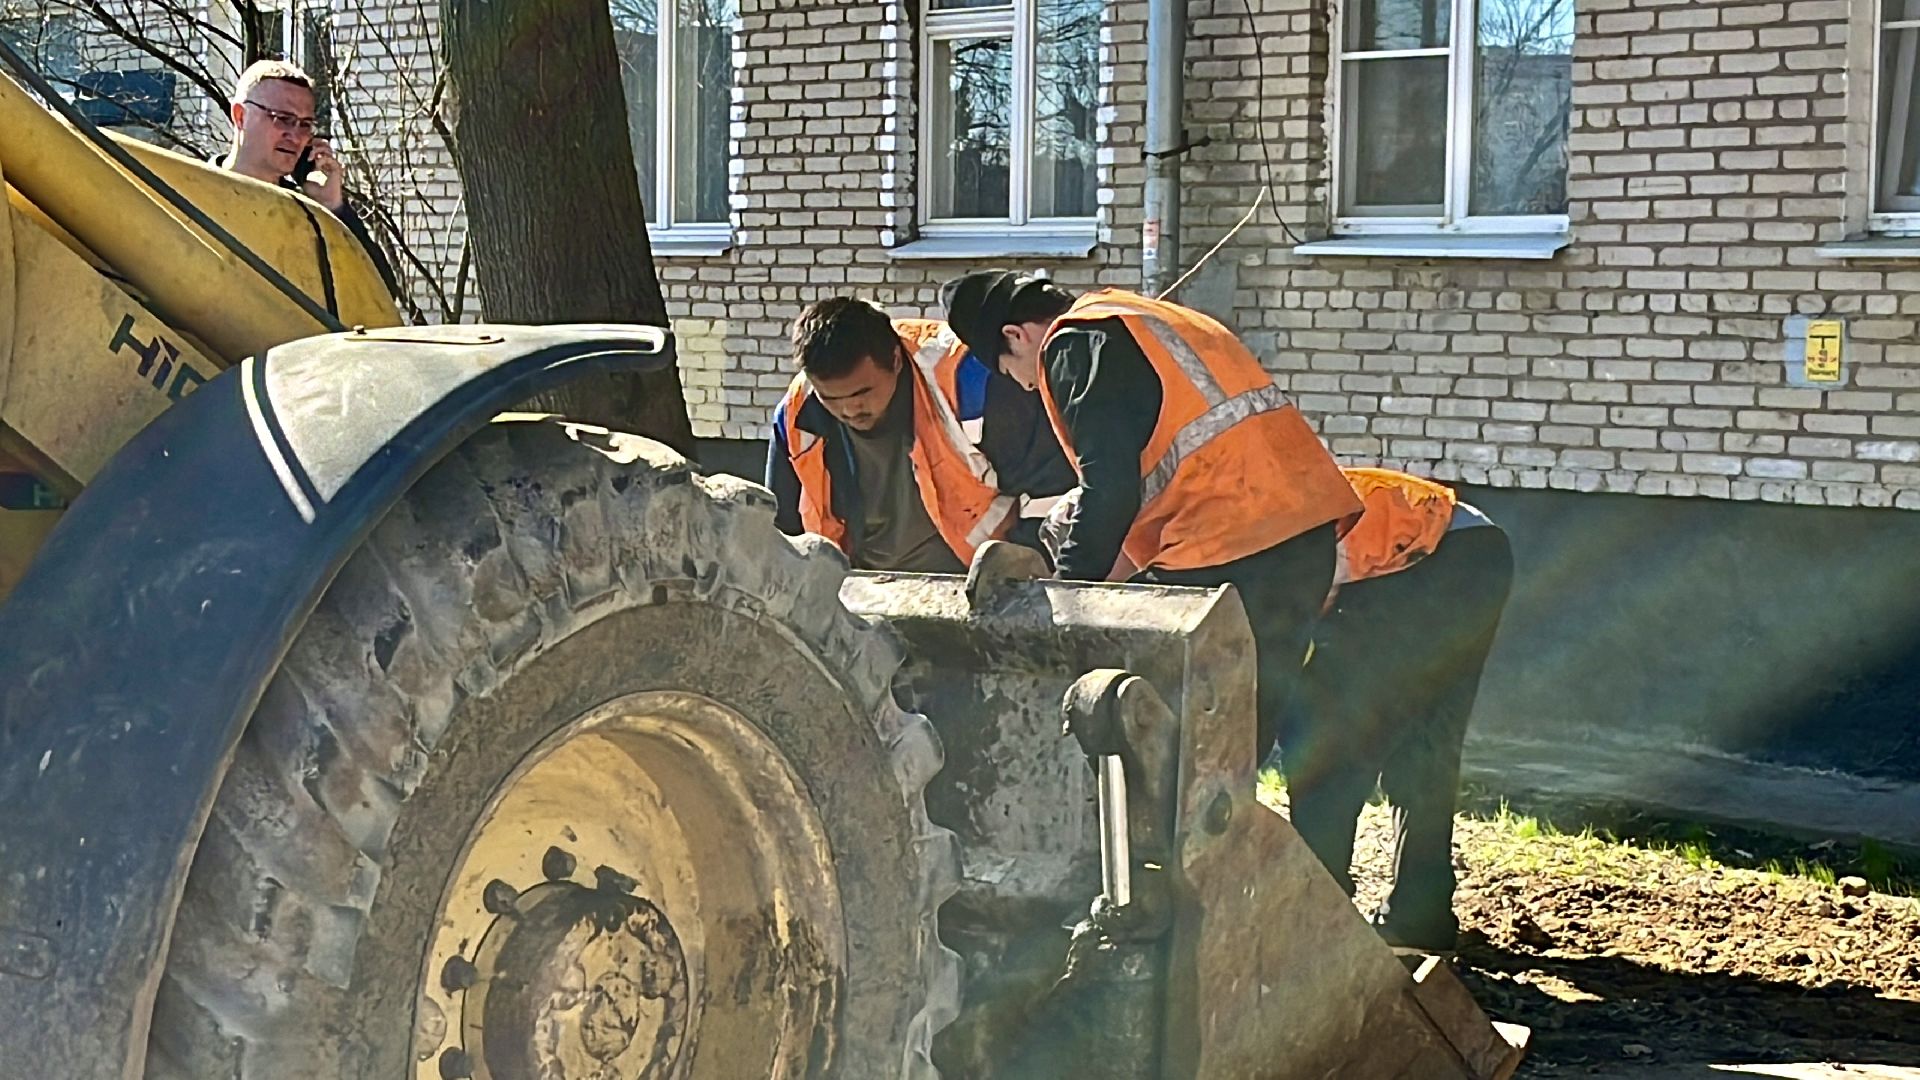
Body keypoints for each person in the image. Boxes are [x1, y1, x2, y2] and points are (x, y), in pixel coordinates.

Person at [941, 271, 1362, 765]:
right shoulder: (1145, 318)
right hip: (1303, 538)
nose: (1026, 386)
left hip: (1228, 547)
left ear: (1016, 335)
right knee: (1238, 739)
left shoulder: (1075, 344)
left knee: (1182, 749)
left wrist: (1062, 599)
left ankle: (1160, 843)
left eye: (1010, 372)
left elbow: (1110, 489)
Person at [1283, 467, 1514, 955]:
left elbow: (1306, 600)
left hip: (1413, 563)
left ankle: (1316, 919)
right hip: (1476, 549)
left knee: (1328, 745)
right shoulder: (1216, 501)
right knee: (1425, 746)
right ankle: (1418, 918)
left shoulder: (1227, 526)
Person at [767, 296, 1076, 572]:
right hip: (860, 591)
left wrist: (1024, 566)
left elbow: (1051, 487)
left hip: (972, 587)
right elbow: (780, 531)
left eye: (863, 392)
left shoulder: (970, 379)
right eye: (832, 399)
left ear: (896, 360)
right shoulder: (796, 414)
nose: (849, 409)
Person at [219, 59, 397, 295]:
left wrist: (332, 209)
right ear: (240, 116)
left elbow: (381, 291)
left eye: (305, 125)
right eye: (282, 119)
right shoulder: (188, 192)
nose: (295, 136)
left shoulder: (306, 211)